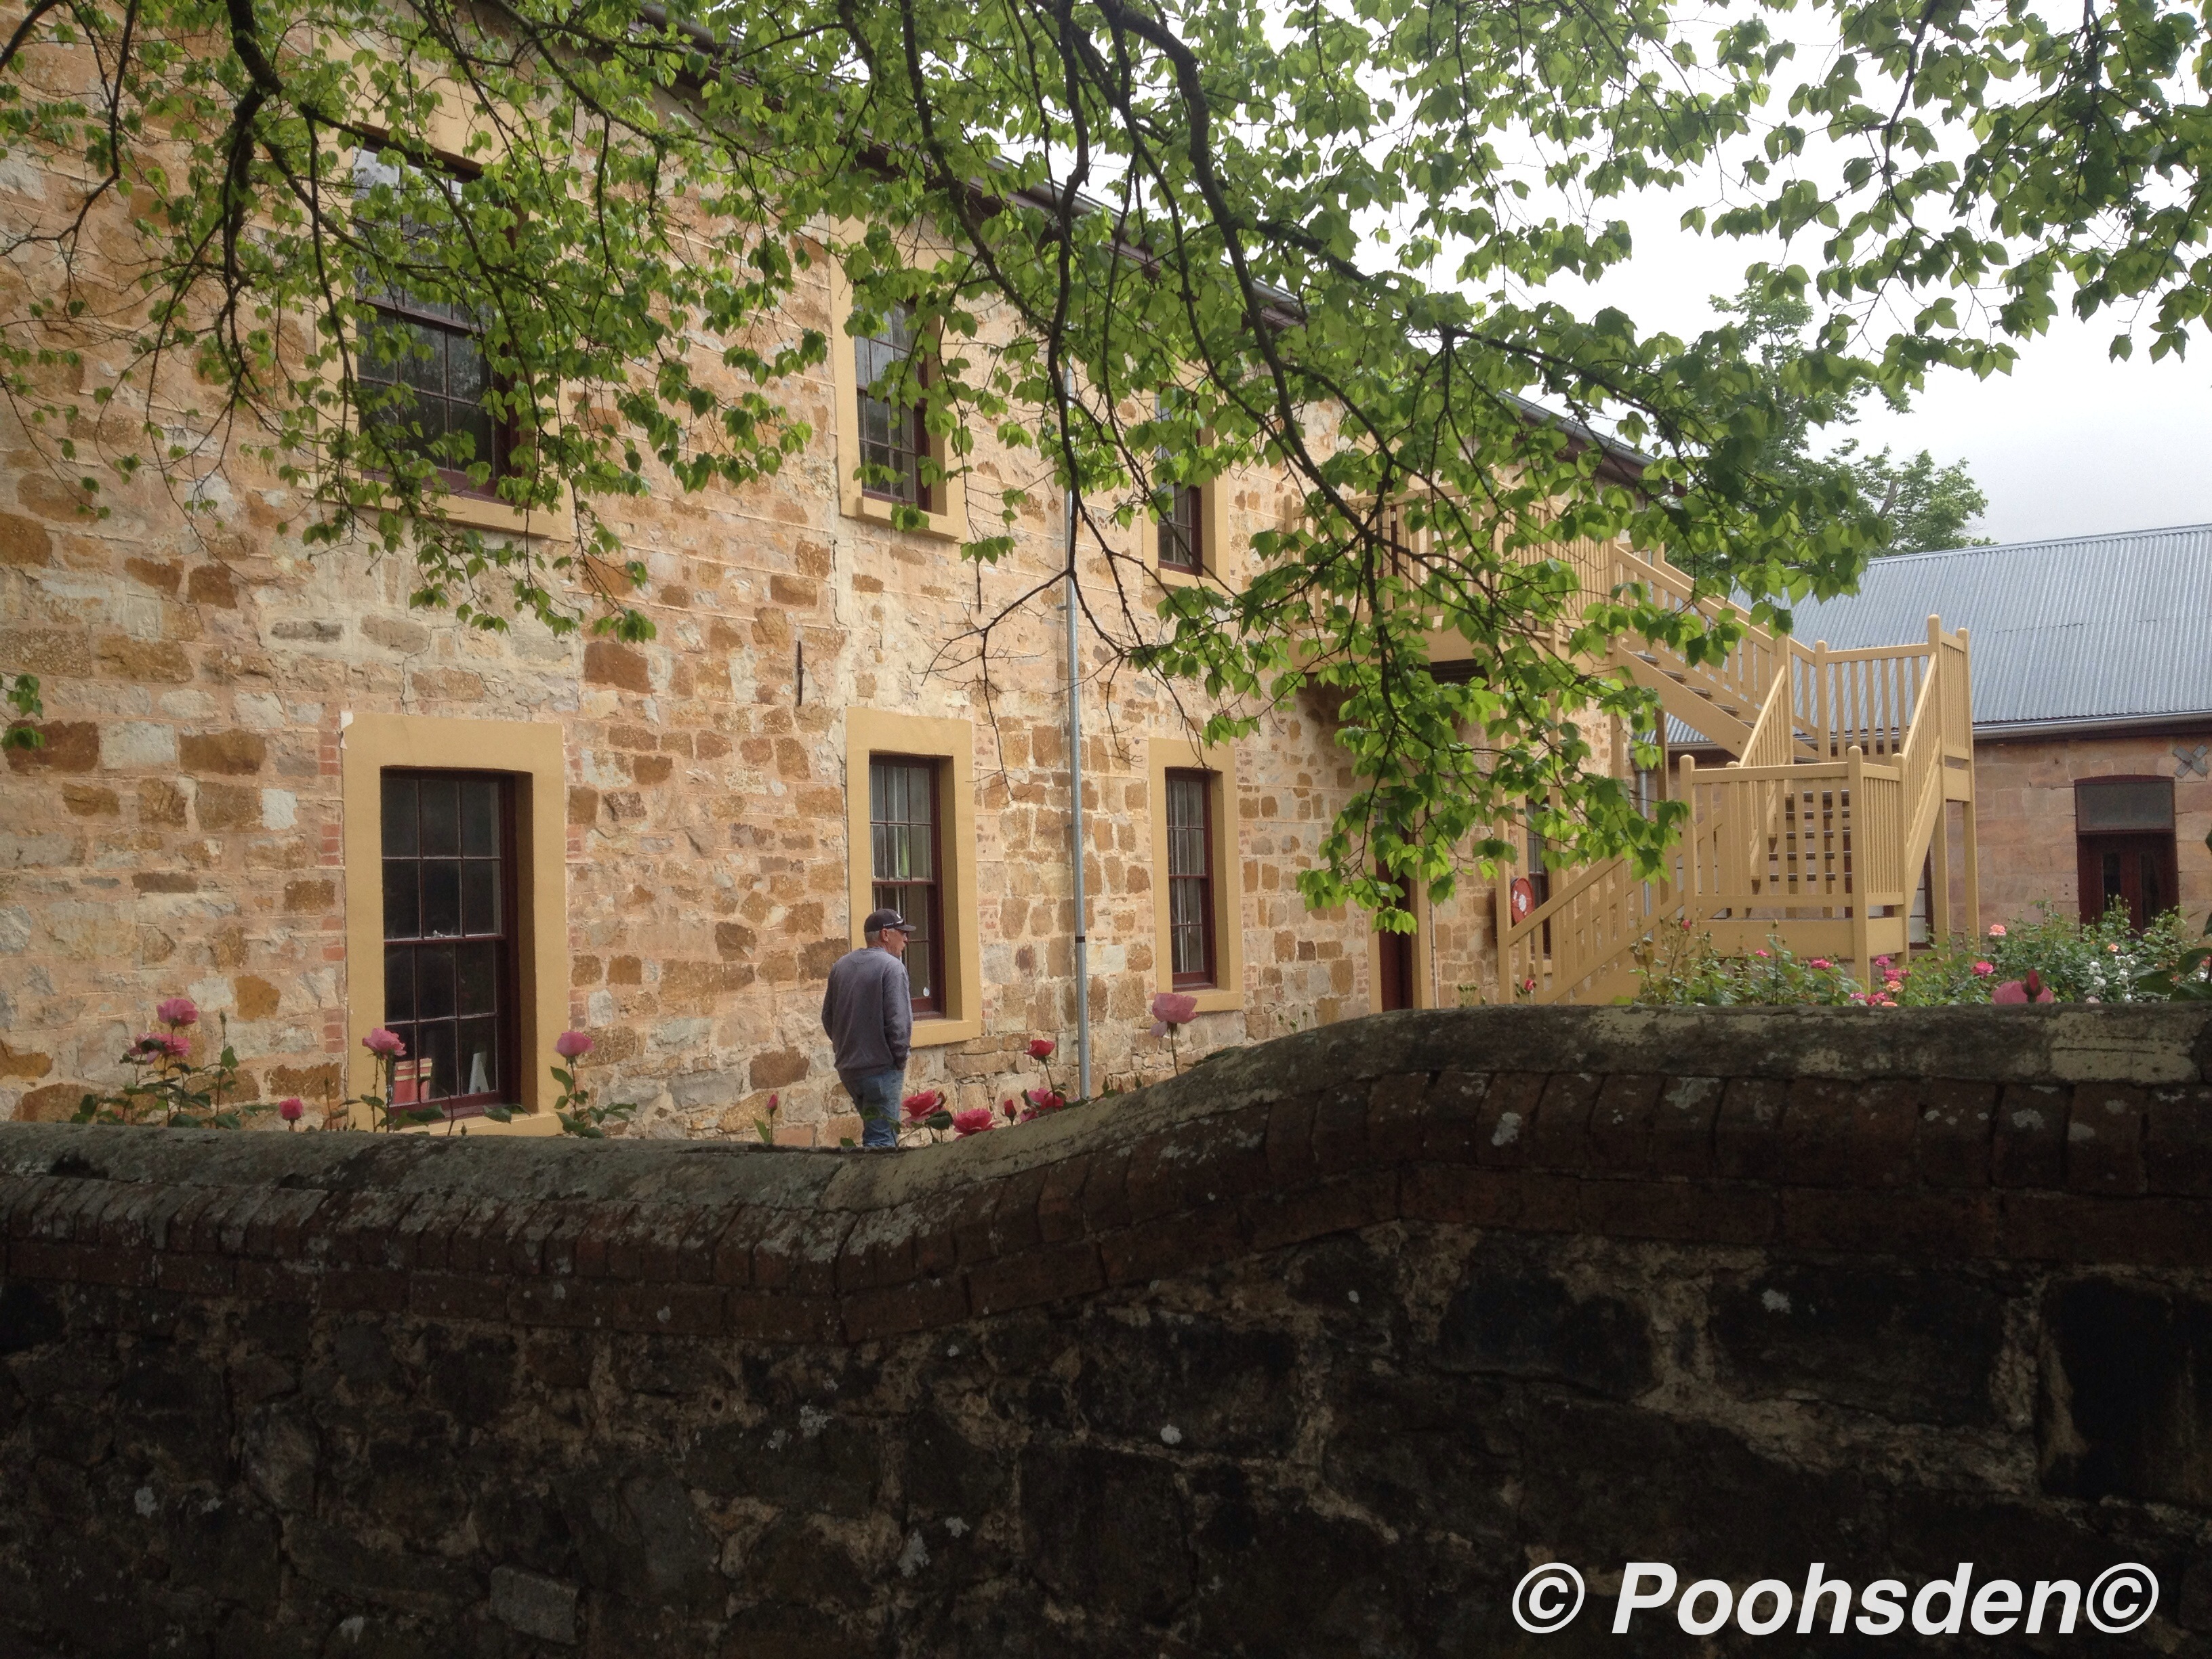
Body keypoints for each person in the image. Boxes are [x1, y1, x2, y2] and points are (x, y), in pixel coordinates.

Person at [820, 907, 914, 1149]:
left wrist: (846, 1048)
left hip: (850, 1069)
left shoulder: (841, 966)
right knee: (882, 1140)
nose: (906, 939)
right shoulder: (892, 967)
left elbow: (828, 1018)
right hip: (881, 1069)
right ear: (885, 934)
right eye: (901, 933)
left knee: (873, 1131)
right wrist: (899, 1060)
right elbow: (899, 1023)